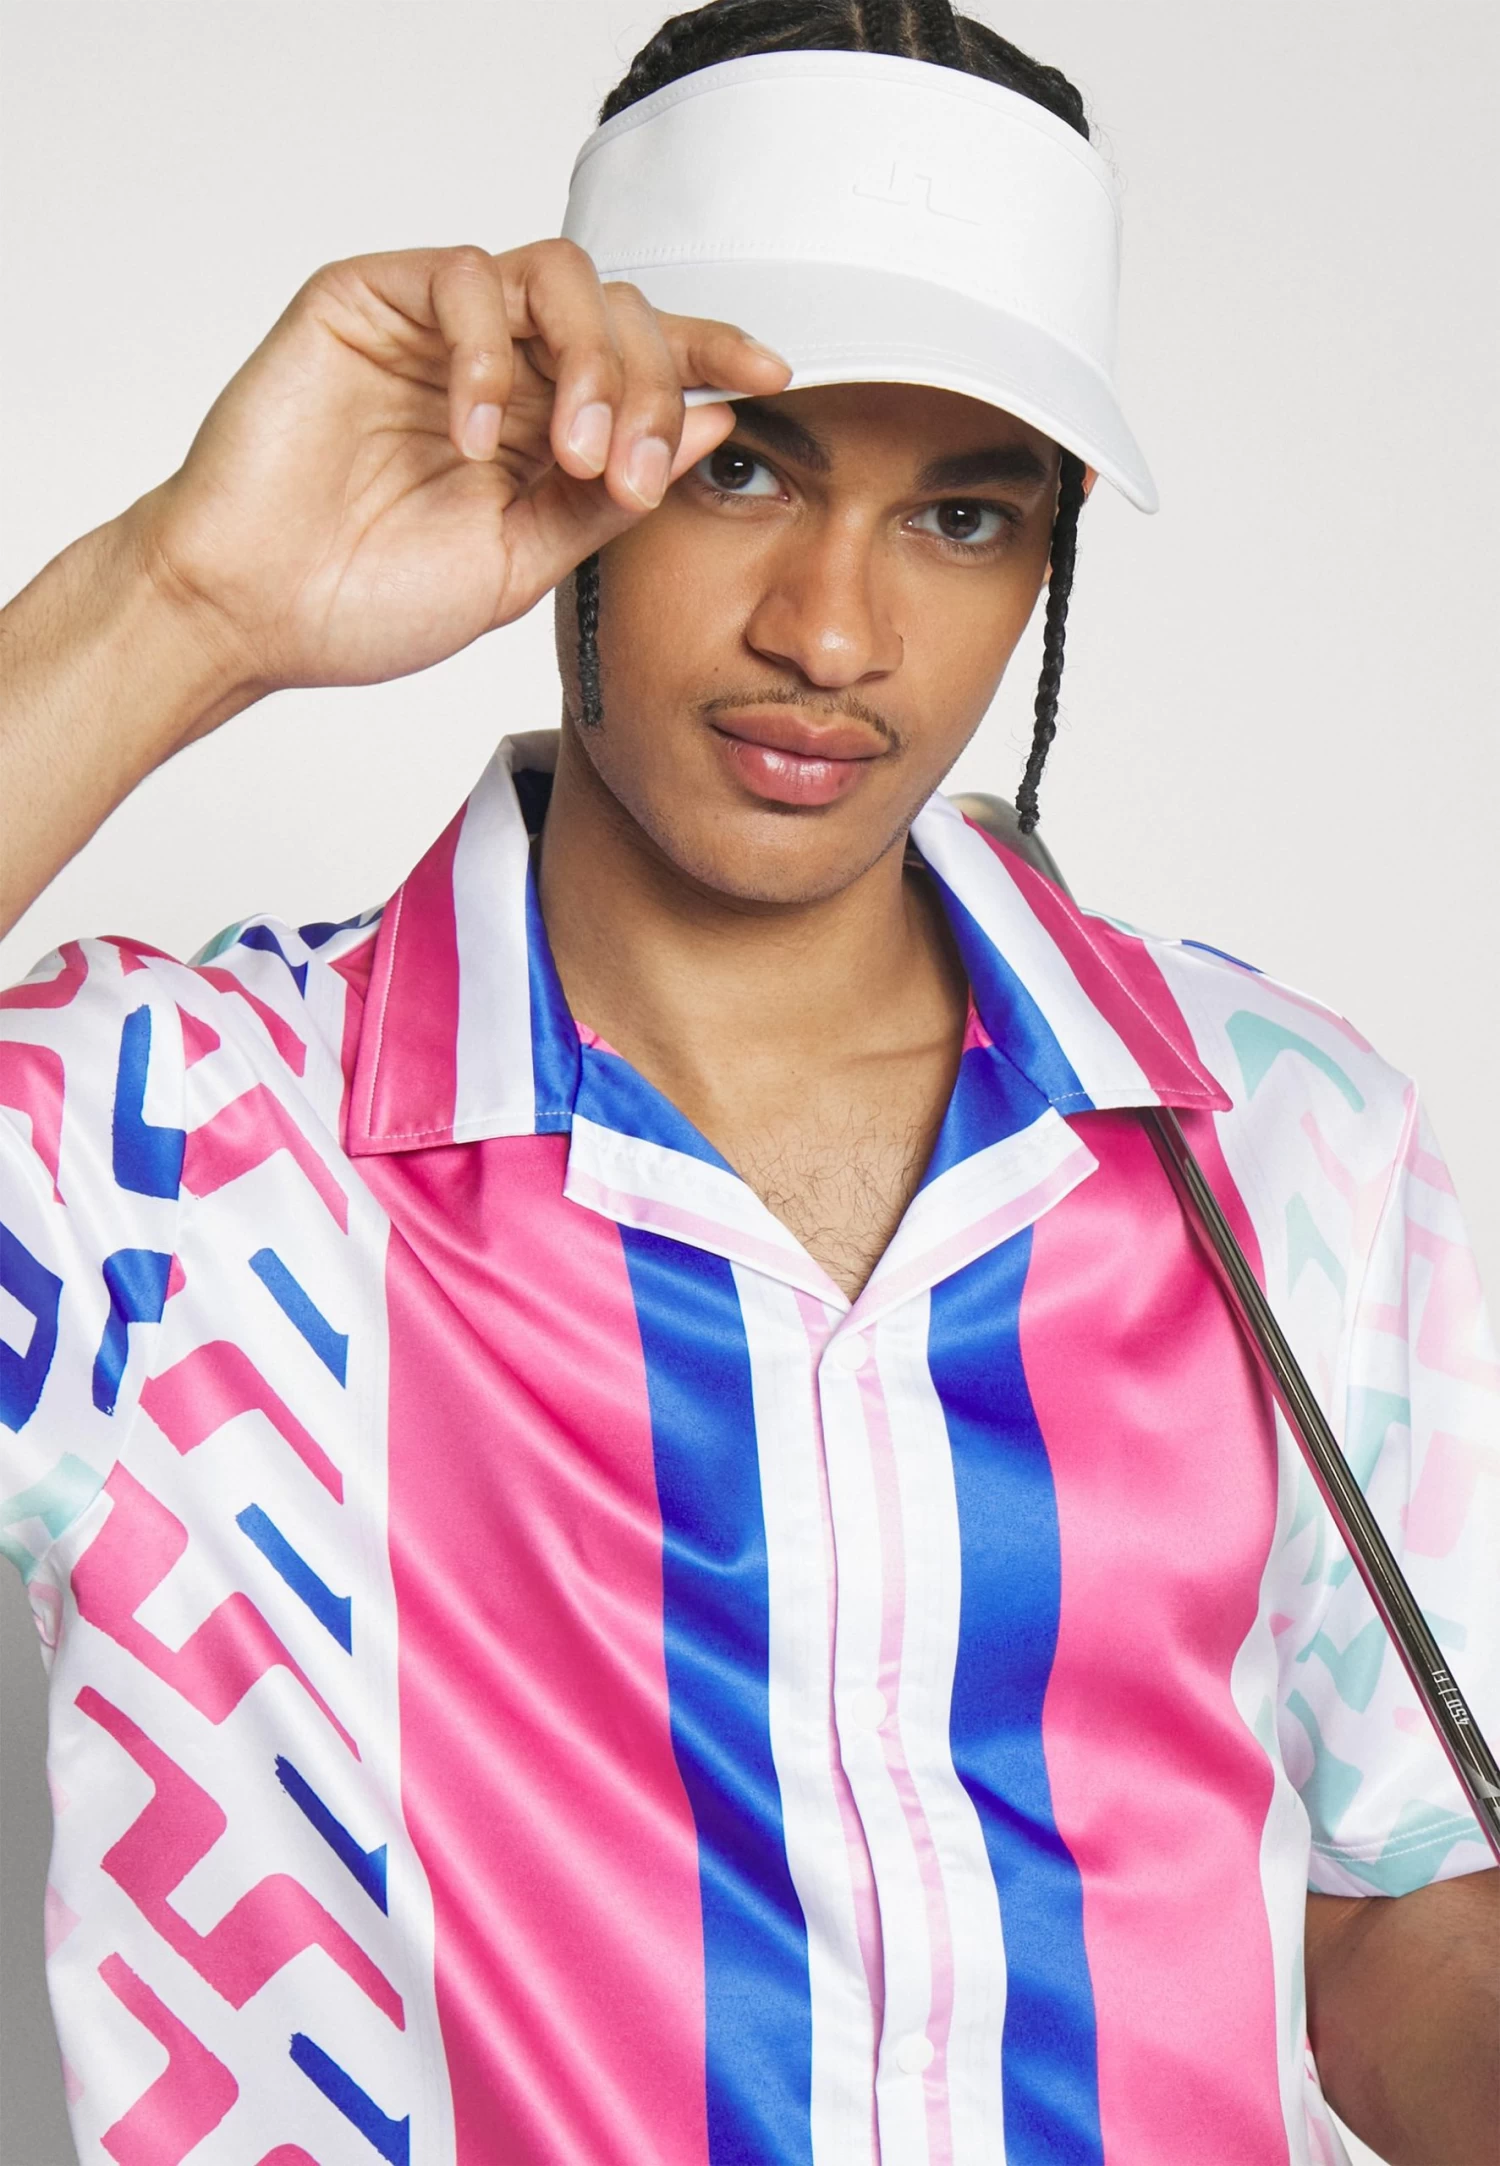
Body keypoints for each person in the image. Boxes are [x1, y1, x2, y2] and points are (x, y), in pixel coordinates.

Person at [0, 1, 1494, 2160]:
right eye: (741, 469)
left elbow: (1397, 1898)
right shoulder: (178, 1148)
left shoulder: (1281, 1131)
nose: (834, 632)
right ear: (574, 466)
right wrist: (189, 597)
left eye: (961, 514)